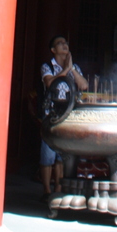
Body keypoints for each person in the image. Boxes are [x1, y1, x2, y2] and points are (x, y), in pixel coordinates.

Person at [39, 35, 88, 197]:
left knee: (62, 155)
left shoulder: (74, 67)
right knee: (48, 155)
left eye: (66, 42)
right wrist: (65, 70)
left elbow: (84, 85)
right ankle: (47, 190)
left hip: (68, 115)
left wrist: (71, 68)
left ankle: (58, 189)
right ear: (53, 50)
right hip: (51, 115)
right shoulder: (47, 66)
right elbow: (50, 83)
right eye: (60, 43)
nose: (64, 45)